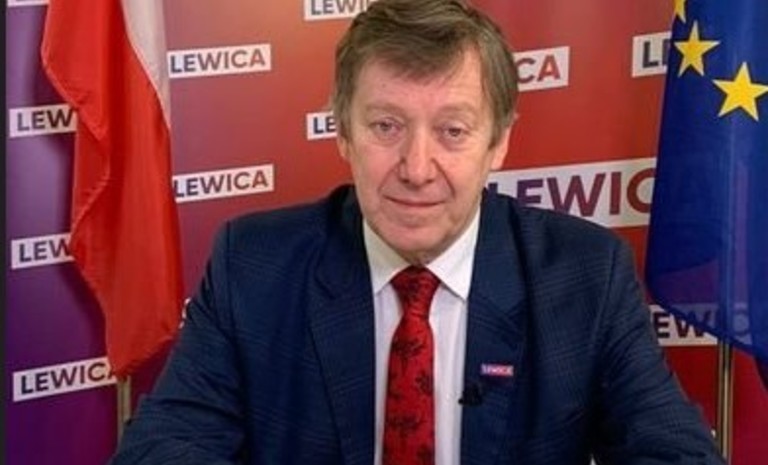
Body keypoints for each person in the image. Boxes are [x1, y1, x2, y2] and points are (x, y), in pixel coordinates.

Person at [110, 0, 725, 463]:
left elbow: (674, 451)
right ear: (343, 132)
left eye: (453, 131)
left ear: (499, 142)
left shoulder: (586, 274)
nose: (416, 168)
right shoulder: (252, 265)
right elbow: (166, 447)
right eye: (386, 126)